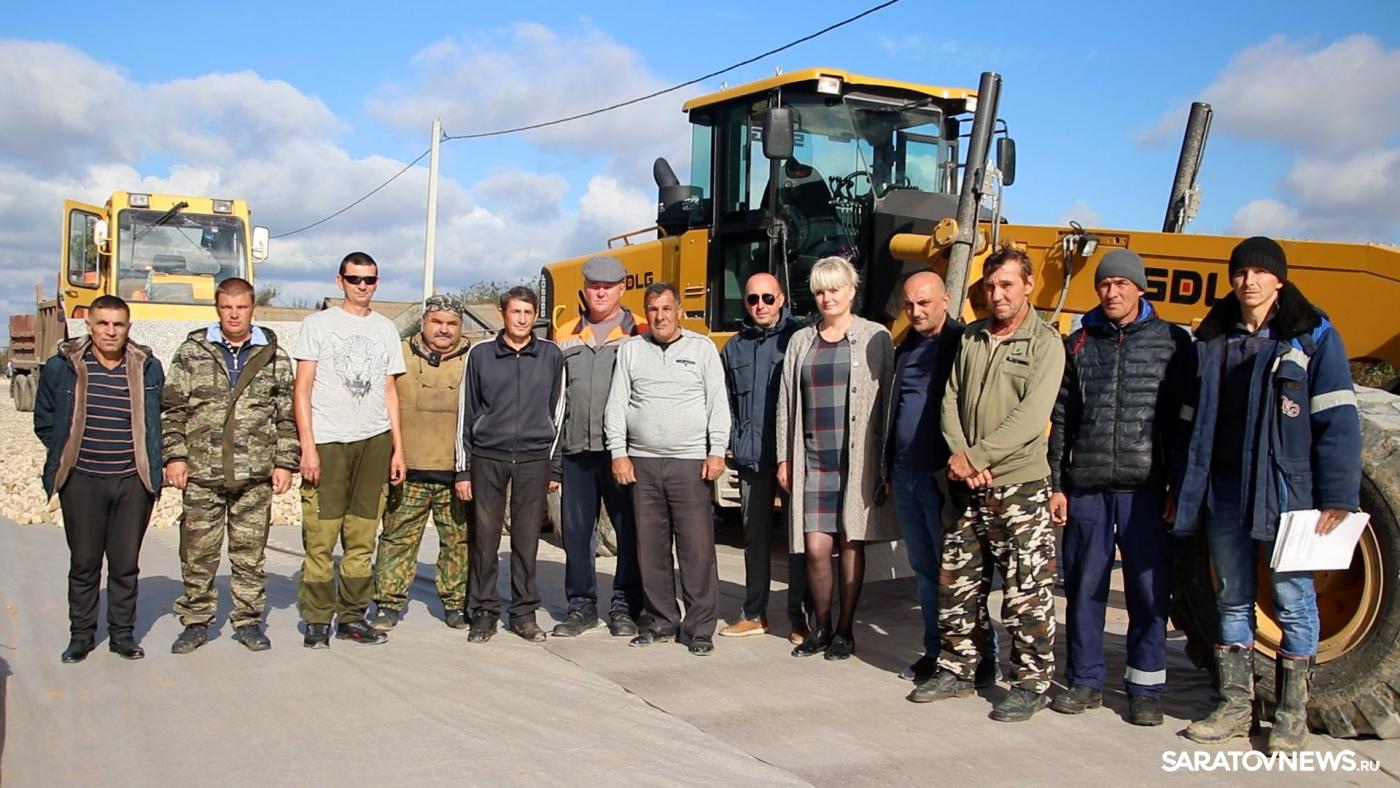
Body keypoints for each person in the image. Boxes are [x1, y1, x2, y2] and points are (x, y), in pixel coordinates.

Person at [1175, 237, 1361, 753]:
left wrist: (1338, 495)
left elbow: (1338, 420)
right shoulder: (1212, 338)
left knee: (1293, 600)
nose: (1249, 281)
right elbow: (1189, 423)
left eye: (1260, 272)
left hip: (1285, 493)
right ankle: (1236, 708)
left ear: (1279, 279)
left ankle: (1291, 716)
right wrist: (1182, 486)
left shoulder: (1312, 337)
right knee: (1232, 598)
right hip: (1224, 490)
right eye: (1241, 272)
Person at [910, 247, 1065, 723]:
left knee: (1025, 590)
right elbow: (950, 398)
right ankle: (959, 669)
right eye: (991, 286)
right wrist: (962, 457)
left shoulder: (1045, 343)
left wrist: (976, 457)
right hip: (967, 483)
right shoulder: (973, 338)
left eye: (1007, 285)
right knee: (957, 583)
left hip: (1018, 486)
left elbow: (1031, 417)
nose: (997, 294)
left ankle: (1031, 684)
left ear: (1028, 285)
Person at [1045, 250, 1193, 725]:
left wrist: (1177, 486)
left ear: (1140, 289)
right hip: (1087, 488)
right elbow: (1062, 417)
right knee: (1084, 589)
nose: (1111, 292)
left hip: (1146, 489)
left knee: (1148, 592)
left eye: (1121, 284)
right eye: (1105, 284)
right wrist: (1058, 485)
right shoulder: (1079, 342)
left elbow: (1183, 423)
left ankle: (1145, 689)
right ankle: (1084, 682)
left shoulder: (1172, 342)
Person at [163, 277, 298, 654]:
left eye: (241, 307)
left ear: (253, 308)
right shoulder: (192, 352)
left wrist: (285, 463)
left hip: (254, 475)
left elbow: (287, 416)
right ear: (217, 309)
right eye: (226, 307)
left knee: (249, 555)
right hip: (202, 473)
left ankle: (248, 620)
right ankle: (195, 620)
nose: (234, 315)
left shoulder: (274, 356)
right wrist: (175, 456)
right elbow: (172, 409)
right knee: (198, 553)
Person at [776, 256, 898, 661]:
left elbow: (888, 402)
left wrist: (885, 463)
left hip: (857, 461)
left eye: (834, 290)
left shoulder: (875, 337)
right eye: (820, 291)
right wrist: (785, 458)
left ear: (851, 291)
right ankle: (821, 627)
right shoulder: (801, 341)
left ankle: (845, 631)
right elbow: (786, 403)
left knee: (850, 544)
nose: (827, 298)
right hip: (813, 460)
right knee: (814, 547)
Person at [883, 271, 998, 685]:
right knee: (924, 570)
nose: (916, 311)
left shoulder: (963, 343)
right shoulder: (905, 346)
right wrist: (888, 467)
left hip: (943, 479)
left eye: (924, 303)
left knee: (959, 574)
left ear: (946, 301)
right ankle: (936, 651)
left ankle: (981, 657)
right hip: (905, 474)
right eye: (909, 304)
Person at [34, 295, 163, 663]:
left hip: (132, 481)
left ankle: (122, 635)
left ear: (128, 328)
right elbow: (45, 419)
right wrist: (65, 453)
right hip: (82, 481)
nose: (110, 331)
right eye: (103, 323)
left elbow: (159, 418)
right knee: (85, 563)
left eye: (118, 324)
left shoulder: (146, 367)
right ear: (88, 326)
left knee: (125, 565)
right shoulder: (63, 367)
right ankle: (81, 635)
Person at [606, 282, 730, 656]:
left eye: (666, 308)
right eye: (653, 309)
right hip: (642, 464)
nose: (660, 316)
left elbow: (718, 403)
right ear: (646, 313)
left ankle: (699, 628)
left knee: (696, 549)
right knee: (650, 548)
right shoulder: (631, 350)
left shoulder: (701, 349)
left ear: (679, 311)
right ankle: (661, 621)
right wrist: (618, 453)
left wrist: (716, 451)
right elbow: (617, 404)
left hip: (690, 463)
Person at [293, 251, 406, 648]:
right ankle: (317, 619)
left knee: (362, 538)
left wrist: (398, 449)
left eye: (369, 279)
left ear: (377, 282)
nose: (362, 286)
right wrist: (308, 447)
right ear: (339, 281)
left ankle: (353, 617)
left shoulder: (386, 330)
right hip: (329, 443)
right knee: (321, 538)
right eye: (355, 278)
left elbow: (390, 392)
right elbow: (302, 389)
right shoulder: (318, 325)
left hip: (373, 442)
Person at [457, 286, 565, 644]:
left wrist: (553, 466)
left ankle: (523, 613)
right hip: (488, 456)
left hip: (533, 458)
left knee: (526, 539)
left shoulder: (551, 355)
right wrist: (463, 469)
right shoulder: (480, 355)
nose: (521, 319)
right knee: (486, 539)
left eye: (528, 313)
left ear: (535, 317)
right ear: (503, 314)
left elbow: (559, 411)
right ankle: (484, 612)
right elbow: (466, 412)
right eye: (515, 312)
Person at [552, 256, 648, 638]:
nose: (601, 293)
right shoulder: (565, 333)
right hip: (576, 449)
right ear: (585, 289)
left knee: (629, 532)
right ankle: (581, 607)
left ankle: (625, 607)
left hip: (622, 453)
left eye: (609, 287)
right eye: (595, 286)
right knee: (576, 535)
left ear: (622, 288)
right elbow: (557, 397)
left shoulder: (641, 329)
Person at [370, 294, 474, 632]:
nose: (444, 329)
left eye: (452, 323)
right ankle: (388, 604)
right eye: (437, 322)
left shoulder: (474, 359)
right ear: (424, 322)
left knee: (458, 543)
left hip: (455, 473)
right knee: (397, 540)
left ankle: (455, 604)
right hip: (407, 469)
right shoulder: (398, 353)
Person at [718, 272, 810, 644]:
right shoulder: (734, 347)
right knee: (754, 539)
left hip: (794, 458)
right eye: (753, 298)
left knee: (797, 539)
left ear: (781, 299)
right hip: (752, 459)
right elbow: (724, 401)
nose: (760, 305)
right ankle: (754, 614)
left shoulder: (800, 339)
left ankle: (800, 619)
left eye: (767, 298)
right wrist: (732, 443)